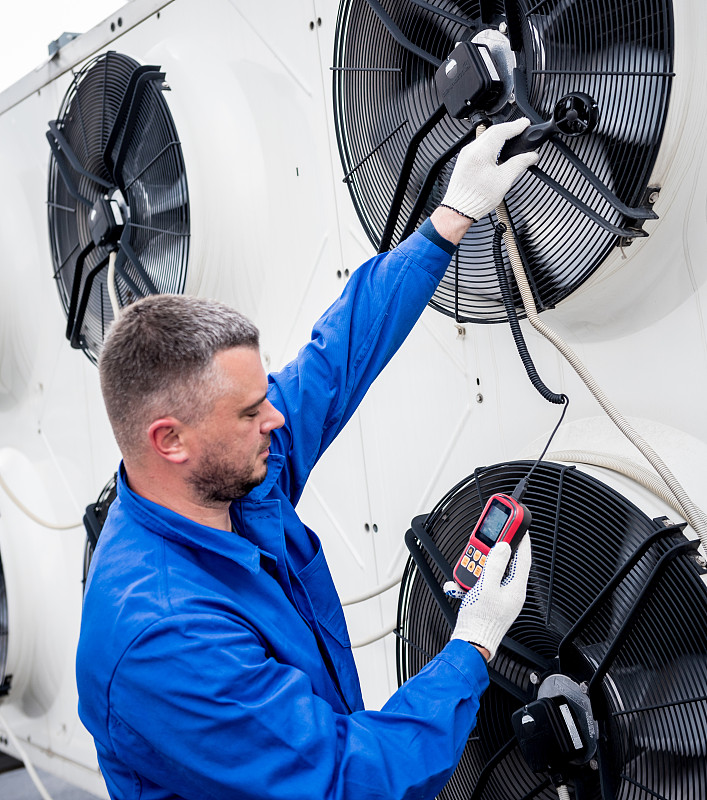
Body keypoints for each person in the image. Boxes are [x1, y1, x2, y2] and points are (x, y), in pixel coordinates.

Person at [76, 118, 537, 800]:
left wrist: (450, 218)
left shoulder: (227, 478)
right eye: (250, 411)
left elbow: (338, 354)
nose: (278, 418)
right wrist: (471, 648)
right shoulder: (162, 641)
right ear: (168, 440)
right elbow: (346, 781)